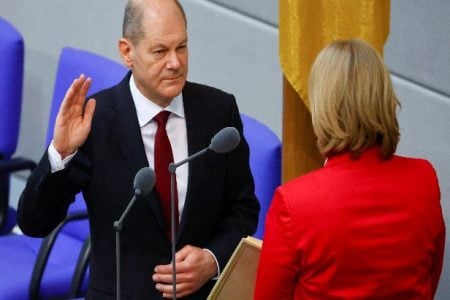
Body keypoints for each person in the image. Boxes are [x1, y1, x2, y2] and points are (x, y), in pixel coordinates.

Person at [17, 0, 259, 298]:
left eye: (181, 47)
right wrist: (60, 154)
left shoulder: (219, 113)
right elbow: (35, 223)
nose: (175, 63)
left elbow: (243, 208)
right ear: (127, 52)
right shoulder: (96, 121)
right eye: (160, 51)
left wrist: (212, 259)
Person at [254, 39, 445, 299]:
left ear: (323, 107)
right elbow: (429, 279)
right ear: (383, 97)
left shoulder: (294, 203)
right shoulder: (423, 179)